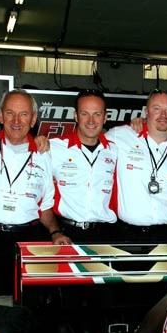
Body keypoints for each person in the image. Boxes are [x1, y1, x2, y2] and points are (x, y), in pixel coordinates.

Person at [0, 89, 68, 296]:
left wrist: (55, 232)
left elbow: (45, 207)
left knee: (27, 309)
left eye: (24, 114)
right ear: (0, 115)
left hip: (28, 241)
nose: (16, 120)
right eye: (10, 113)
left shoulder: (45, 154)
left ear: (33, 119)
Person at [106, 89, 167, 243]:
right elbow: (87, 143)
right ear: (146, 112)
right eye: (157, 109)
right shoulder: (119, 136)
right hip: (126, 236)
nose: (163, 115)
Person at [49, 89, 119, 243]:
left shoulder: (115, 150)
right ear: (76, 116)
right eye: (85, 113)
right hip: (66, 233)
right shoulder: (53, 147)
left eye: (97, 114)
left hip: (107, 235)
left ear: (105, 117)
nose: (91, 121)